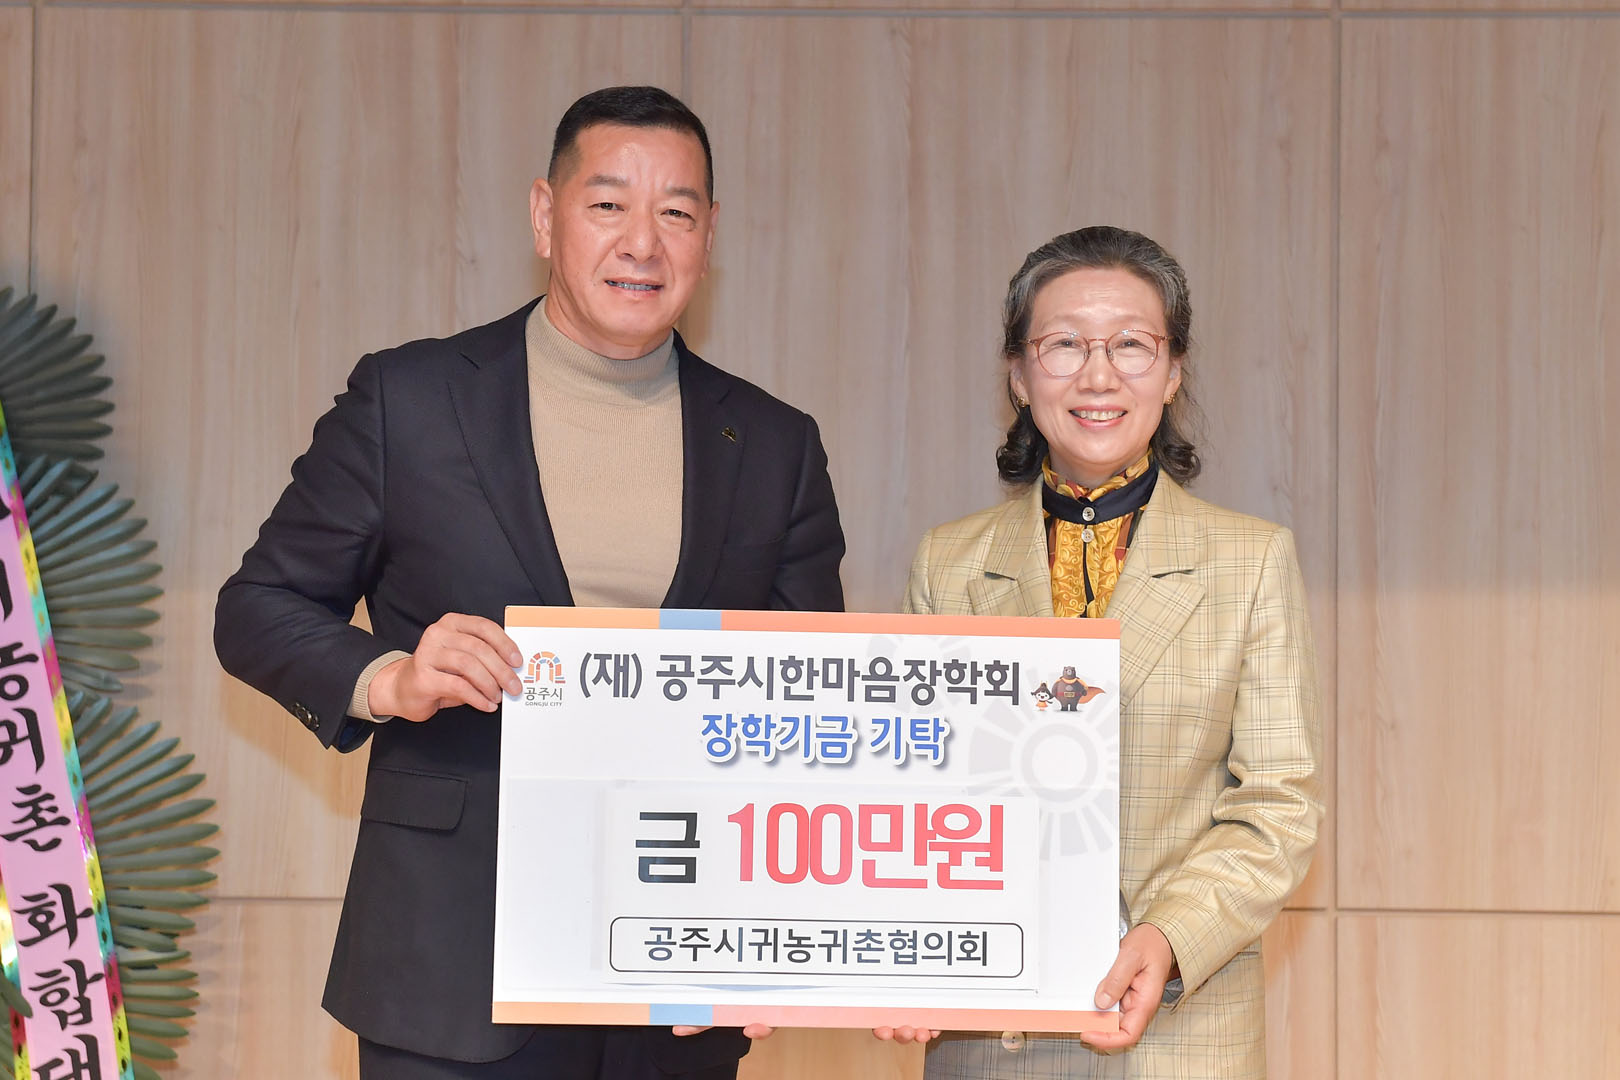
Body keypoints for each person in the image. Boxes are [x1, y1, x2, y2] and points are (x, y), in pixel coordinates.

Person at [214, 86, 845, 1080]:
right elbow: (257, 608)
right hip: (452, 962)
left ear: (710, 235)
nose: (642, 243)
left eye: (676, 213)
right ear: (546, 215)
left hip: (675, 968)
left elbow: (806, 714)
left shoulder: (775, 445)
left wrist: (769, 938)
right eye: (608, 205)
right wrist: (392, 678)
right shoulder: (411, 400)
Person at [898, 226, 1321, 1078]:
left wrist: (1170, 935)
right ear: (1019, 375)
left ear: (1173, 372)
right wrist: (902, 952)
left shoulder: (1252, 561)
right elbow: (910, 793)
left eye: (1131, 345)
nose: (1098, 375)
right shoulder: (948, 563)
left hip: (1180, 1033)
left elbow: (1279, 806)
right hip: (988, 1031)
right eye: (1064, 345)